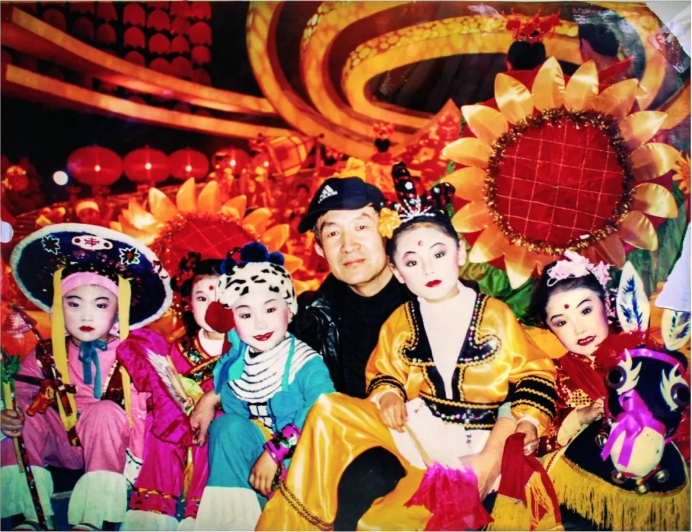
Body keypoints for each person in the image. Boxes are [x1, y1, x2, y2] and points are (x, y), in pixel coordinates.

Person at [256, 168, 558, 531]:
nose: (348, 245)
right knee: (340, 433)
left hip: (469, 444)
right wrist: (219, 400)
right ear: (320, 248)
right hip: (379, 446)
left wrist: (497, 453)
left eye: (361, 226)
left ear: (385, 232)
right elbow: (269, 363)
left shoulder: (466, 301)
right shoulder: (309, 318)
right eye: (333, 233)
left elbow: (527, 373)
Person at [1, 224, 172, 530]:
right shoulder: (44, 354)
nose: (86, 315)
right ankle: (31, 513)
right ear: (58, 308)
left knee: (104, 411)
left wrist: (138, 468)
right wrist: (9, 417)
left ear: (118, 310)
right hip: (60, 445)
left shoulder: (133, 355)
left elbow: (147, 414)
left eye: (101, 305)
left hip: (113, 449)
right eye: (74, 303)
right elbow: (21, 395)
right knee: (26, 417)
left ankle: (94, 516)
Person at [191, 242, 335, 530]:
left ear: (289, 311)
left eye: (270, 309)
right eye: (245, 315)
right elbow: (232, 404)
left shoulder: (306, 362)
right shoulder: (236, 361)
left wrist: (275, 451)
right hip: (258, 465)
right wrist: (209, 398)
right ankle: (234, 523)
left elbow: (323, 407)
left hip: (304, 458)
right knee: (226, 427)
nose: (259, 324)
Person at [120, 254, 226, 531]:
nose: (213, 306)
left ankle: (199, 515)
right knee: (162, 423)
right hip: (174, 436)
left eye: (223, 296)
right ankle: (153, 513)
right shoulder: (174, 351)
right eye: (202, 298)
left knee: (218, 427)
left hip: (221, 436)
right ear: (188, 303)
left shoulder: (249, 349)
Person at [529, 251, 614, 457]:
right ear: (551, 330)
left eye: (585, 311)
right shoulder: (550, 377)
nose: (579, 329)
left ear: (607, 304)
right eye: (561, 322)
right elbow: (536, 447)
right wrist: (580, 418)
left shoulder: (645, 356)